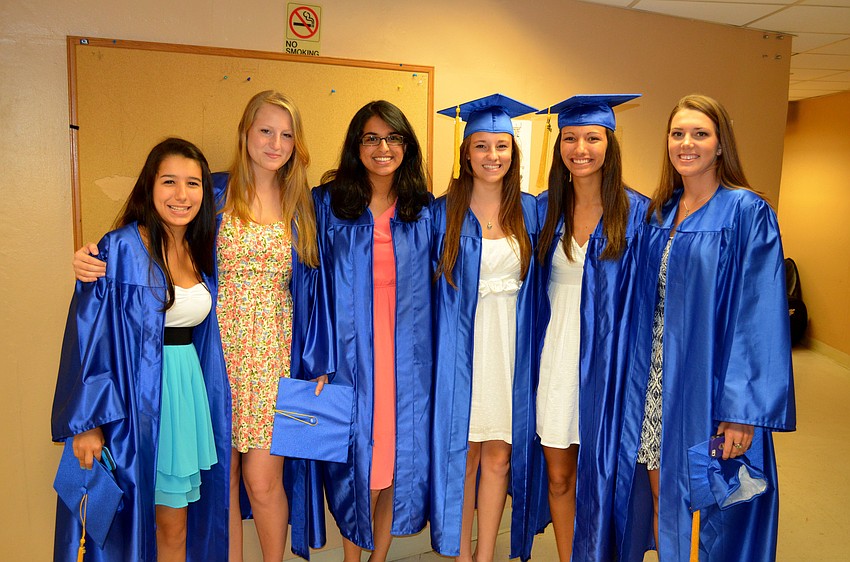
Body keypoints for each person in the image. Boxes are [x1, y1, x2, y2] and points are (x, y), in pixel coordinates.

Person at [71, 91, 330, 562]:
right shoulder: (213, 192)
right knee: (219, 483)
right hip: (211, 353)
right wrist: (93, 258)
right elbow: (155, 237)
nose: (275, 143)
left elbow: (319, 292)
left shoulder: (305, 207)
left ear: (297, 143)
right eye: (265, 131)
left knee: (265, 480)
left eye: (287, 134)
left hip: (273, 357)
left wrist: (317, 360)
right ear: (245, 133)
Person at [613, 94, 796, 561]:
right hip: (656, 383)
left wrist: (741, 411)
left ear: (720, 145)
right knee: (661, 494)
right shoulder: (658, 213)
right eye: (678, 134)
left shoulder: (746, 212)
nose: (687, 143)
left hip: (711, 389)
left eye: (700, 134)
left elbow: (757, 316)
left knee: (711, 504)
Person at [52, 138, 230, 561]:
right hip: (134, 403)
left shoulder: (201, 248)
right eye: (169, 181)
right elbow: (88, 336)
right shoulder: (120, 250)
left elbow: (248, 181)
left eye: (193, 183)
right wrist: (87, 423)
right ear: (149, 186)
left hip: (185, 395)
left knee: (175, 524)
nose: (181, 195)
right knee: (128, 525)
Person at [527, 95, 647, 562]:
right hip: (556, 359)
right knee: (560, 475)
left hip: (610, 363)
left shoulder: (639, 213)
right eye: (571, 137)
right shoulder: (544, 211)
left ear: (609, 145)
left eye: (593, 138)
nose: (581, 148)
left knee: (603, 475)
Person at [313, 100, 433, 562]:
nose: (383, 148)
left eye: (393, 138)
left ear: (406, 146)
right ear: (356, 145)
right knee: (356, 466)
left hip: (406, 357)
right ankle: (351, 558)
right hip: (348, 354)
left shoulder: (424, 210)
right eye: (371, 138)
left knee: (391, 468)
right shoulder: (326, 204)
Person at [430, 94, 538, 562]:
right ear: (466, 152)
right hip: (461, 350)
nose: (492, 156)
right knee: (466, 454)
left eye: (502, 146)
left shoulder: (530, 211)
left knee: (499, 455)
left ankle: (485, 555)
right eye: (481, 146)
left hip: (510, 349)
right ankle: (460, 555)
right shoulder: (442, 212)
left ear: (513, 154)